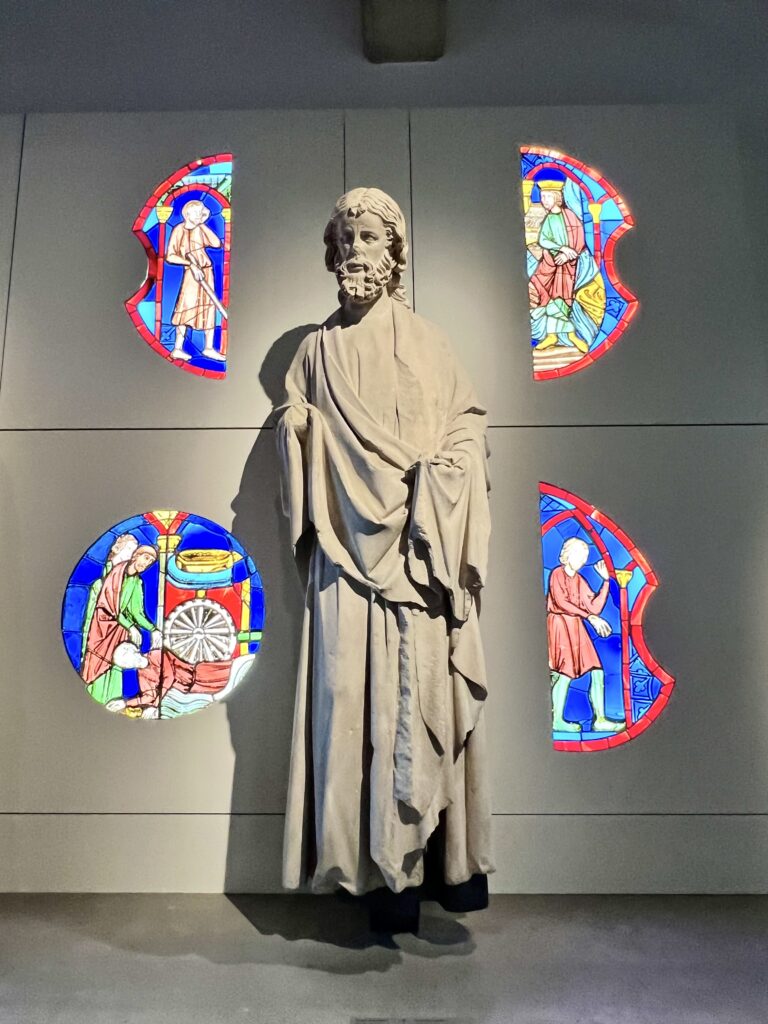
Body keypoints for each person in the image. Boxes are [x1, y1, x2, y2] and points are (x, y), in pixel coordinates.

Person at [277, 188, 493, 932]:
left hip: (418, 558)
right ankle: (363, 872)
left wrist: (446, 478)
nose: (355, 252)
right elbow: (295, 437)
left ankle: (423, 868)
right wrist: (295, 428)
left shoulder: (432, 343)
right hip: (344, 560)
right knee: (346, 708)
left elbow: (468, 429)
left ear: (394, 252)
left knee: (417, 707)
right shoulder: (315, 353)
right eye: (345, 239)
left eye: (369, 237)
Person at [547, 537, 625, 734]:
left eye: (585, 557)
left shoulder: (580, 581)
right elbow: (561, 602)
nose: (583, 560)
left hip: (576, 627)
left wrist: (606, 581)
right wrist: (590, 618)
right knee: (564, 673)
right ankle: (557, 720)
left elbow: (594, 607)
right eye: (579, 555)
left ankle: (600, 719)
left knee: (597, 670)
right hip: (559, 625)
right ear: (567, 555)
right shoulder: (557, 574)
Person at [80, 545, 162, 709]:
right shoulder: (117, 573)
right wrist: (131, 627)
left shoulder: (137, 582)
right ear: (135, 555)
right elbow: (109, 606)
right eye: (146, 558)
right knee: (96, 669)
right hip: (102, 629)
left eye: (151, 561)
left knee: (115, 671)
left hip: (119, 634)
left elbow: (137, 612)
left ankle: (111, 703)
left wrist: (154, 630)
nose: (146, 564)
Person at [528, 169, 594, 354]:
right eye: (542, 197)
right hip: (549, 264)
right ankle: (556, 336)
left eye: (547, 197)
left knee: (560, 300)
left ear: (557, 197)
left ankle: (567, 336)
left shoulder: (570, 216)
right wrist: (562, 249)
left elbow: (579, 238)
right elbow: (543, 240)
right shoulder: (548, 219)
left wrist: (568, 253)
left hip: (567, 267)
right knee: (544, 296)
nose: (544, 200)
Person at [165, 199, 223, 362]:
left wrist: (202, 224)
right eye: (197, 213)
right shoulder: (178, 230)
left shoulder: (201, 229)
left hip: (206, 272)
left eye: (202, 213)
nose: (199, 216)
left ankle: (209, 348)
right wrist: (190, 264)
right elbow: (170, 255)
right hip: (191, 274)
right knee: (186, 307)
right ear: (187, 214)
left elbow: (216, 243)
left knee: (208, 307)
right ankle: (177, 348)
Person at [80, 533, 138, 663]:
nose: (131, 555)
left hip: (118, 638)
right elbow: (89, 619)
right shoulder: (100, 583)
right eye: (129, 549)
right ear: (117, 548)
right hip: (98, 637)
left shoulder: (129, 581)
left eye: (134, 552)